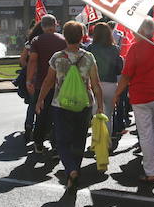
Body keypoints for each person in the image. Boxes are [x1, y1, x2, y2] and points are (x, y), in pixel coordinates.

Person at [35, 21, 103, 189]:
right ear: (82, 37)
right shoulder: (88, 57)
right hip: (84, 104)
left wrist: (40, 100)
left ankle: (70, 170)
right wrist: (100, 106)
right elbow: (96, 84)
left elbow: (48, 82)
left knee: (62, 140)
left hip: (61, 104)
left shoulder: (57, 57)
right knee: (79, 140)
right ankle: (76, 170)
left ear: (64, 36)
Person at [113, 17, 154, 183]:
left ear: (142, 31)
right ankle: (152, 163)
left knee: (146, 133)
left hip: (141, 97)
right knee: (152, 130)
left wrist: (117, 93)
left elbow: (126, 75)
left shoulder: (135, 48)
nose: (133, 33)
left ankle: (150, 171)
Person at [26, 15, 67, 153]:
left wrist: (29, 80)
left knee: (41, 114)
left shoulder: (36, 41)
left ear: (42, 26)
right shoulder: (63, 40)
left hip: (41, 83)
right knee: (58, 115)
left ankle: (38, 142)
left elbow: (32, 61)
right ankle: (55, 145)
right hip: (60, 83)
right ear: (55, 25)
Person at [86, 22, 123, 137]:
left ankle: (97, 140)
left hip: (94, 84)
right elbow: (118, 69)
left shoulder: (90, 48)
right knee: (109, 115)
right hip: (111, 84)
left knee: (96, 114)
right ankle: (107, 141)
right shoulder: (115, 49)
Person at [19, 22, 44, 142]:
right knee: (44, 103)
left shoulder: (29, 43)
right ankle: (41, 129)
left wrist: (28, 70)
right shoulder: (47, 42)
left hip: (32, 77)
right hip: (44, 77)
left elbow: (22, 60)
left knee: (32, 103)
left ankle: (29, 126)